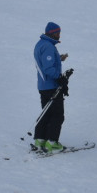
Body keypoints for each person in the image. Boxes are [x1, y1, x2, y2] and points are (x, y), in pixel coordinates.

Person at [33, 22, 69, 152]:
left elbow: (45, 62)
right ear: (51, 33)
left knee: (46, 113)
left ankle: (40, 140)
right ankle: (52, 143)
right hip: (51, 86)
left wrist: (58, 58)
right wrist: (59, 78)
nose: (59, 35)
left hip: (43, 86)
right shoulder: (48, 46)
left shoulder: (41, 44)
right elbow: (48, 68)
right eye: (57, 33)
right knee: (57, 115)